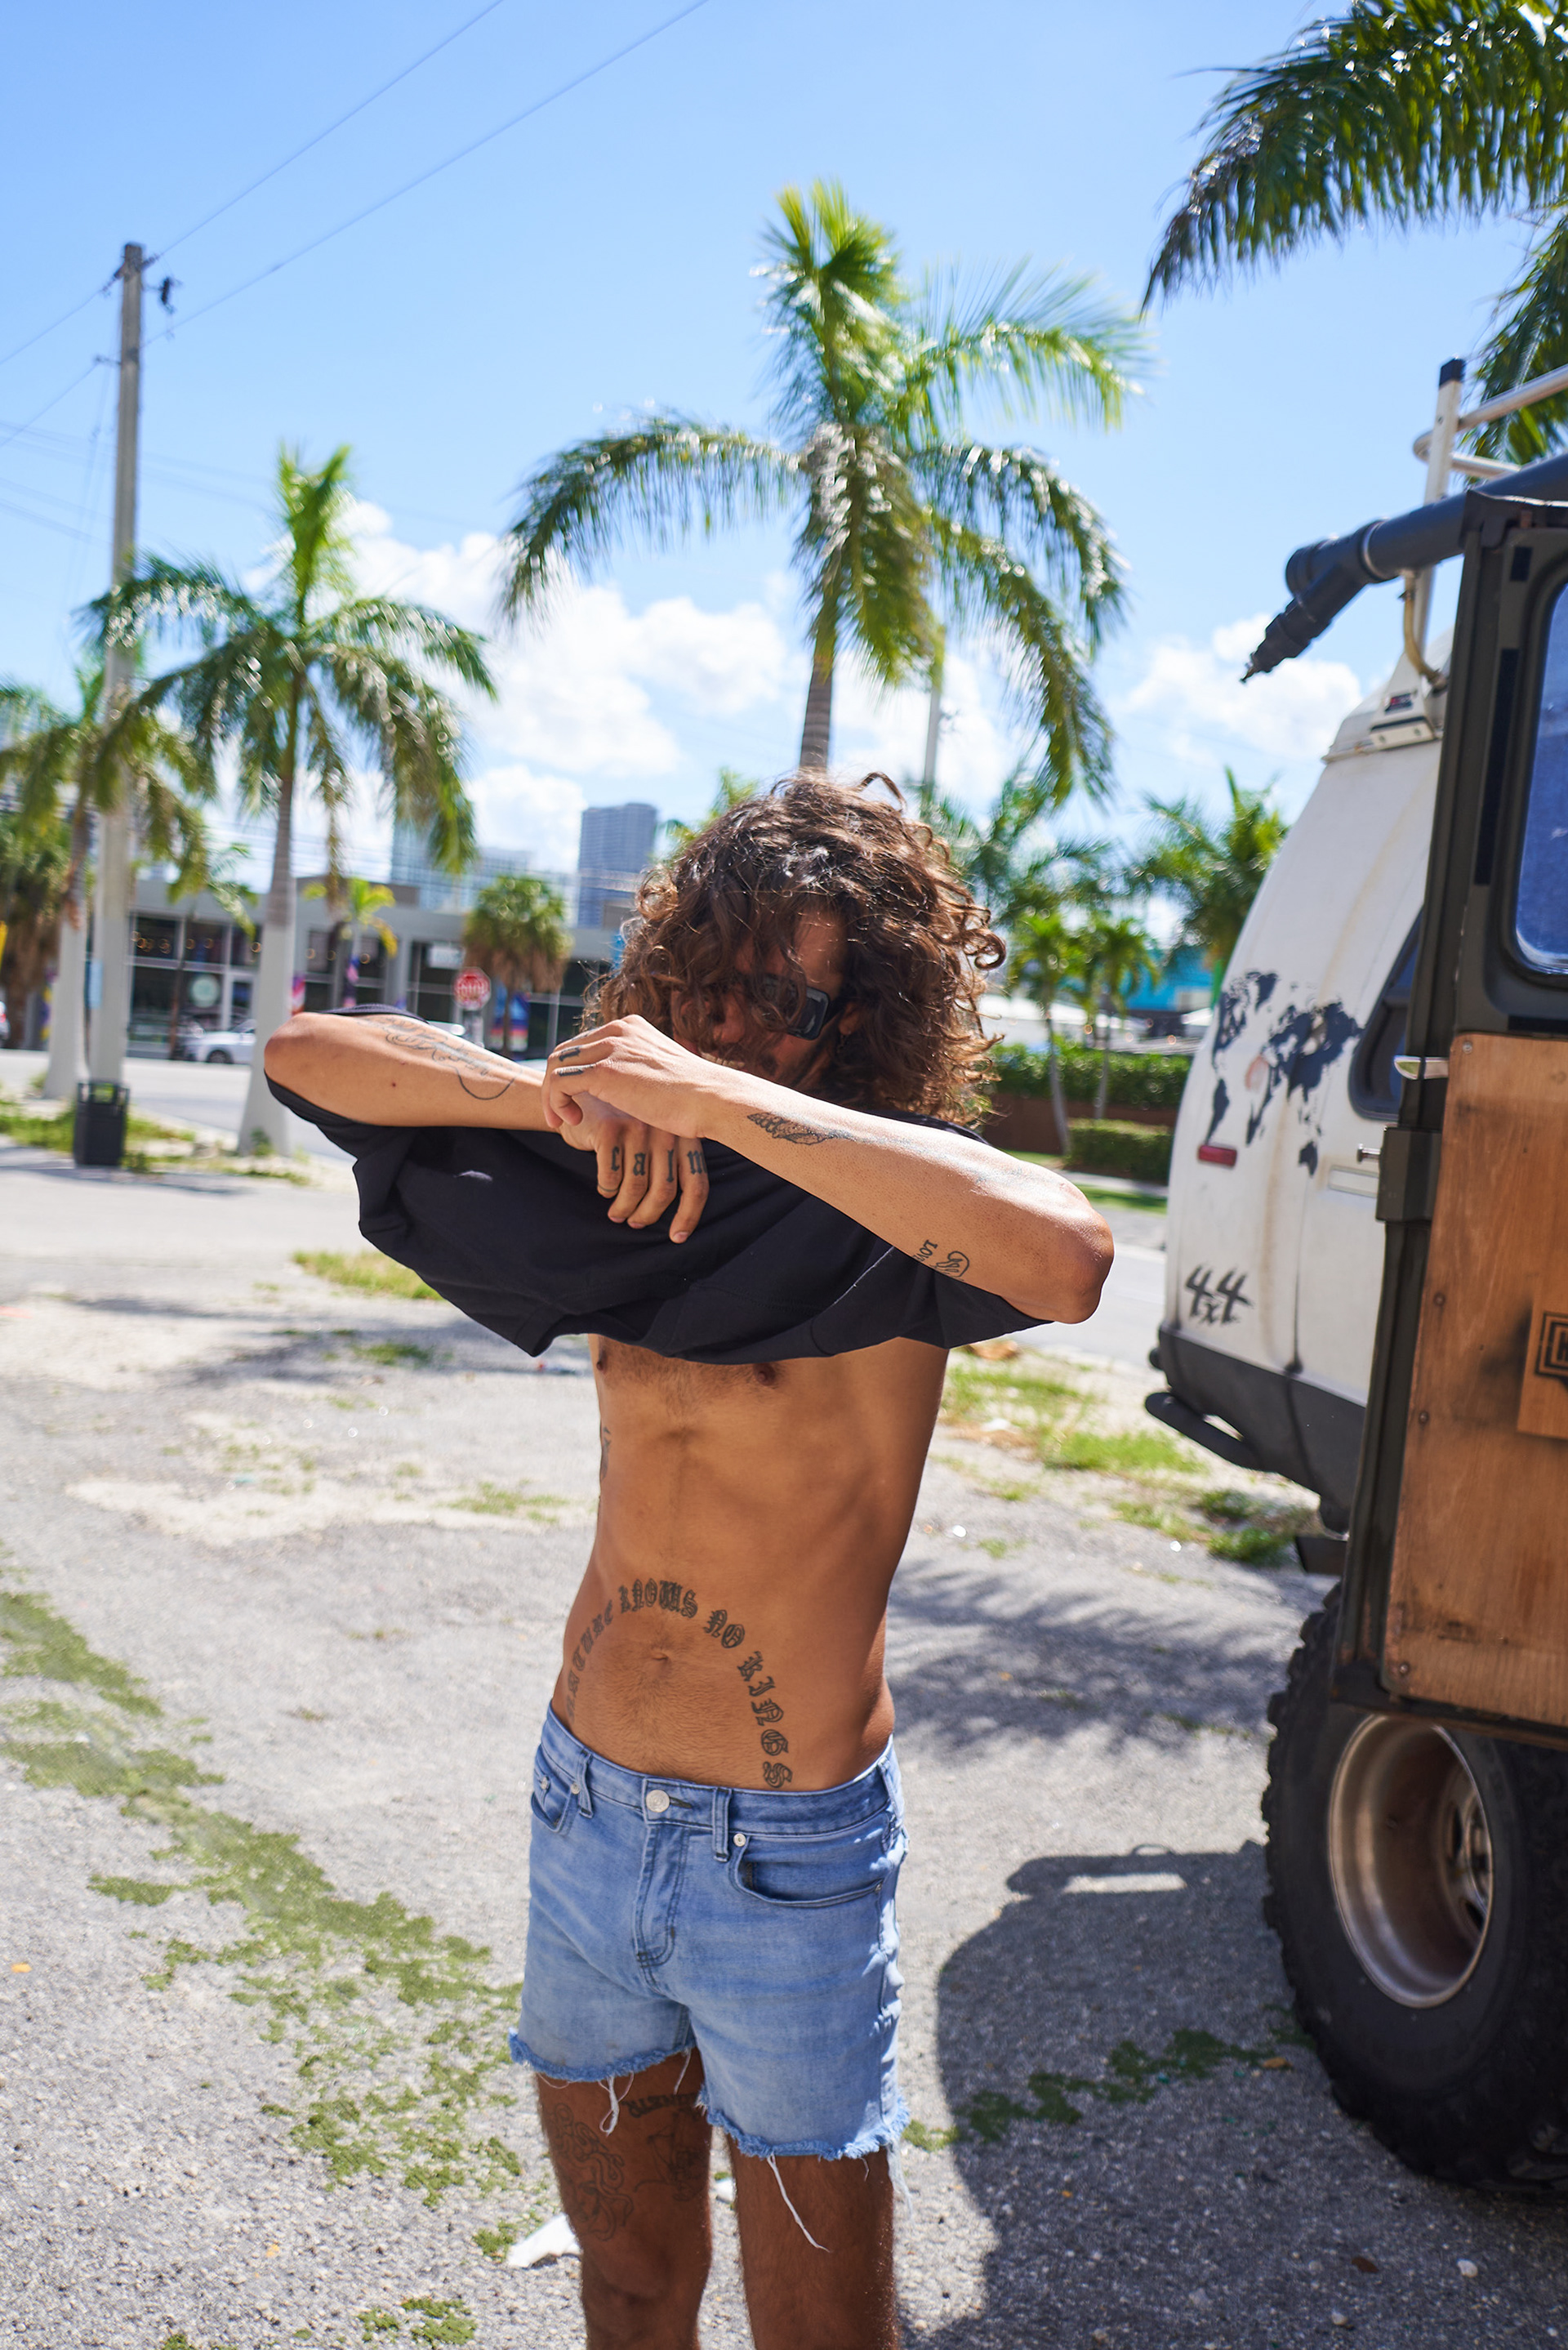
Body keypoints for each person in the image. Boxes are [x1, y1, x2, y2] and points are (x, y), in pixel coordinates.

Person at [265, 774, 1111, 2350]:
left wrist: (723, 1102)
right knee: (632, 2282)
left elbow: (1067, 1256)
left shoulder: (886, 1209)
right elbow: (304, 1056)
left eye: (787, 1001)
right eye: (714, 983)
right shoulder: (627, 1172)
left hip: (786, 1859)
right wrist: (560, 1093)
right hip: (586, 1810)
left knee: (821, 2330)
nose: (736, 1025)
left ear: (864, 1016)